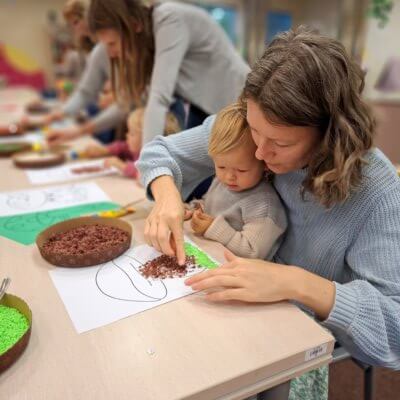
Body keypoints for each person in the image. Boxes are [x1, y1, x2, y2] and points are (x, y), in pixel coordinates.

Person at [136, 27, 400, 398]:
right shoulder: (252, 125)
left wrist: (295, 282)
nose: (258, 153)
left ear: (330, 134)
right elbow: (159, 154)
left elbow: (394, 328)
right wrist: (165, 196)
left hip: (295, 329)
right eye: (256, 132)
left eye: (279, 143)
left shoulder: (377, 192)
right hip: (237, 298)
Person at [87, 0, 250, 146]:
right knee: (191, 172)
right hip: (204, 108)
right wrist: (83, 129)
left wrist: (148, 165)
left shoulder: (169, 19)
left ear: (134, 25)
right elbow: (132, 102)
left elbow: (158, 98)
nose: (110, 54)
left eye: (112, 43)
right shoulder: (147, 42)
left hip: (239, 105)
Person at [187, 102, 286, 259]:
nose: (229, 177)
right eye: (221, 167)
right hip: (208, 258)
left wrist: (212, 227)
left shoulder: (264, 206)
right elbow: (210, 205)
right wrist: (195, 210)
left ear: (264, 163)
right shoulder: (222, 182)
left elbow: (252, 252)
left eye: (241, 170)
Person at [44, 0, 127, 145]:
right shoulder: (99, 51)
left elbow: (129, 100)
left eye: (76, 22)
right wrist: (63, 112)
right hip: (118, 114)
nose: (74, 29)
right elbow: (86, 90)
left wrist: (80, 129)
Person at [83, 107, 181, 178]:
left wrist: (121, 165)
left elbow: (142, 173)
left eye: (132, 133)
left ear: (147, 137)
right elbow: (122, 147)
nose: (127, 135)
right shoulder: (137, 149)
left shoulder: (157, 159)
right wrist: (105, 150)